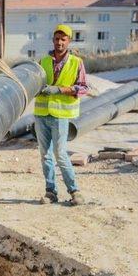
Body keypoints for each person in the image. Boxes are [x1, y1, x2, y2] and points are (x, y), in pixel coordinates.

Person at [34, 24, 88, 206]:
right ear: (53, 40)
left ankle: (74, 191)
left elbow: (83, 88)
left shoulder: (76, 62)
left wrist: (59, 90)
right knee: (45, 155)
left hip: (60, 116)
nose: (59, 42)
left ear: (69, 41)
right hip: (41, 114)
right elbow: (35, 83)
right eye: (57, 39)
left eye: (63, 39)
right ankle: (51, 192)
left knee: (60, 153)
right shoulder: (43, 62)